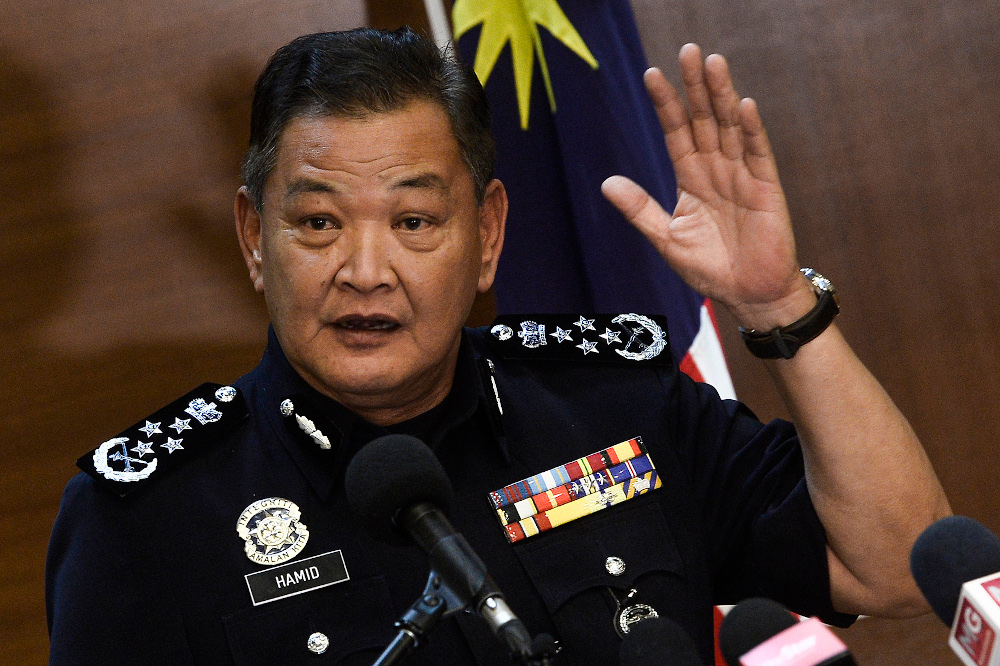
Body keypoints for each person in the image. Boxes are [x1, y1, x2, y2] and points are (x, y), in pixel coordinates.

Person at [46, 27, 950, 665]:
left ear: (486, 235)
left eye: (413, 221)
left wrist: (778, 304)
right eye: (318, 223)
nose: (365, 271)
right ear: (254, 238)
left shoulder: (617, 407)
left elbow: (898, 563)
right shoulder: (147, 519)